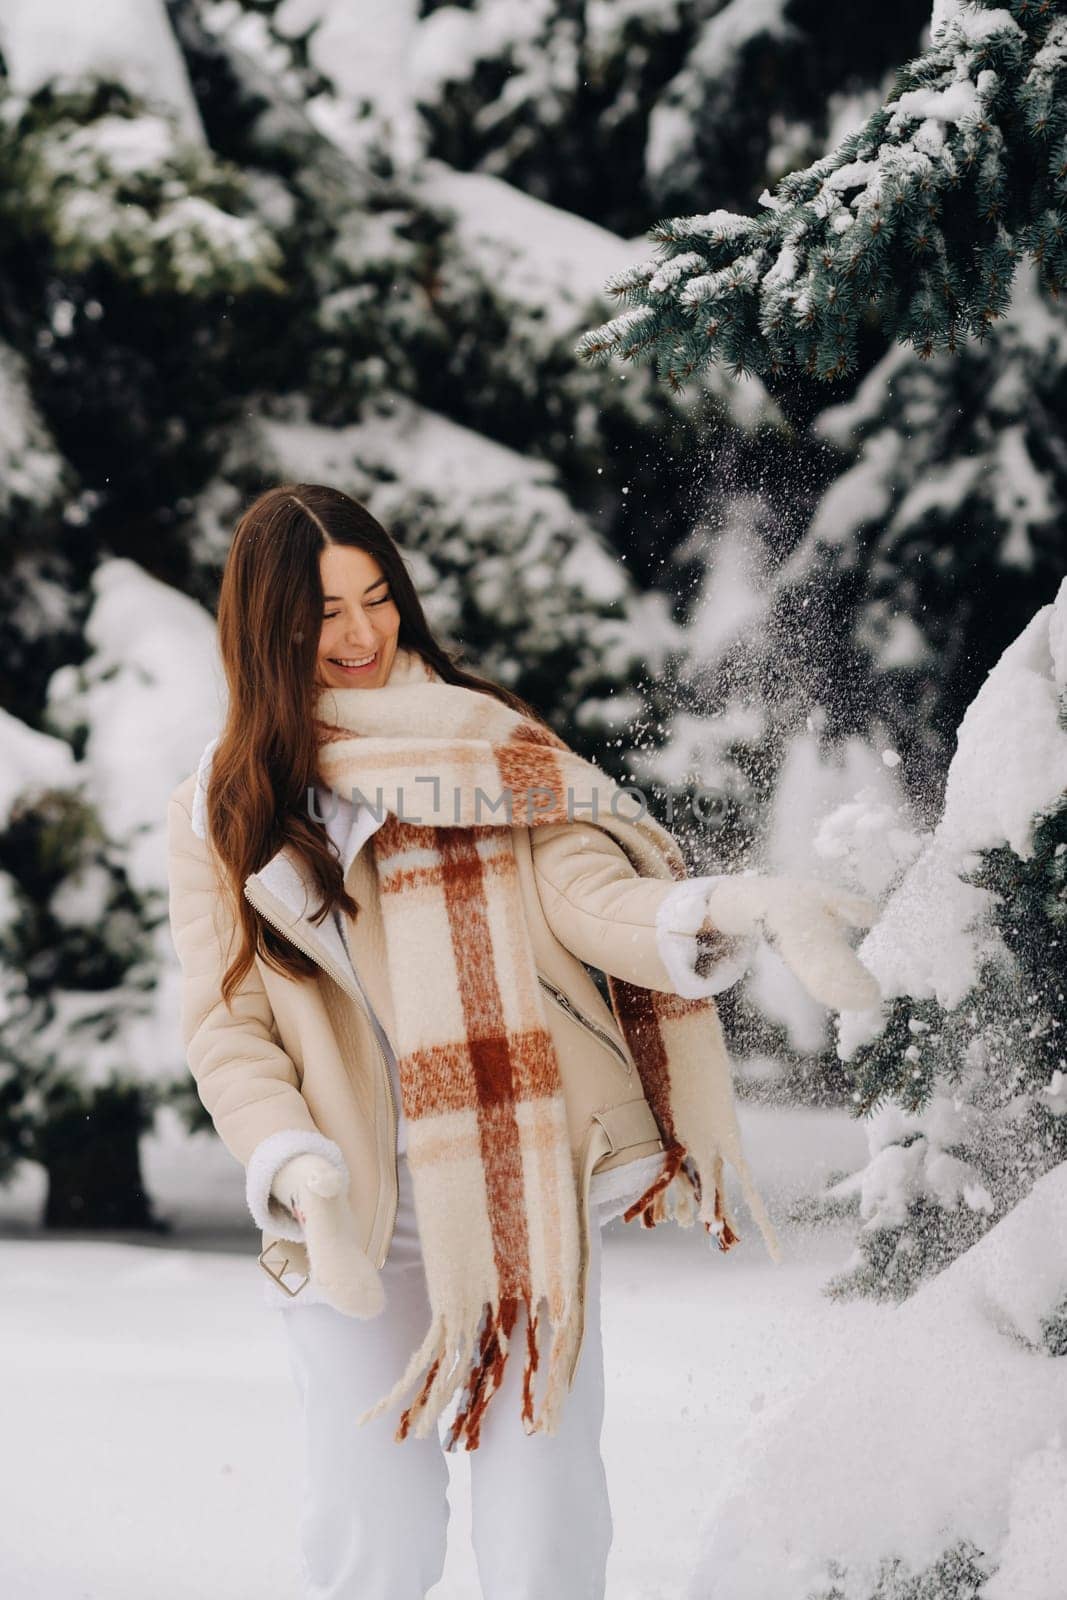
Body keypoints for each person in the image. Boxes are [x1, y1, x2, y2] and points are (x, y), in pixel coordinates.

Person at [165, 483, 881, 1600]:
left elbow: (585, 898)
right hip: (340, 1213)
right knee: (373, 1529)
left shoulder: (484, 745)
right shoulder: (224, 801)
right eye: (323, 616)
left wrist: (719, 907)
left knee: (546, 1516)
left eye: (377, 600)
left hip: (510, 1190)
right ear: (268, 631)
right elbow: (229, 1026)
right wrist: (293, 1163)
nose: (360, 637)